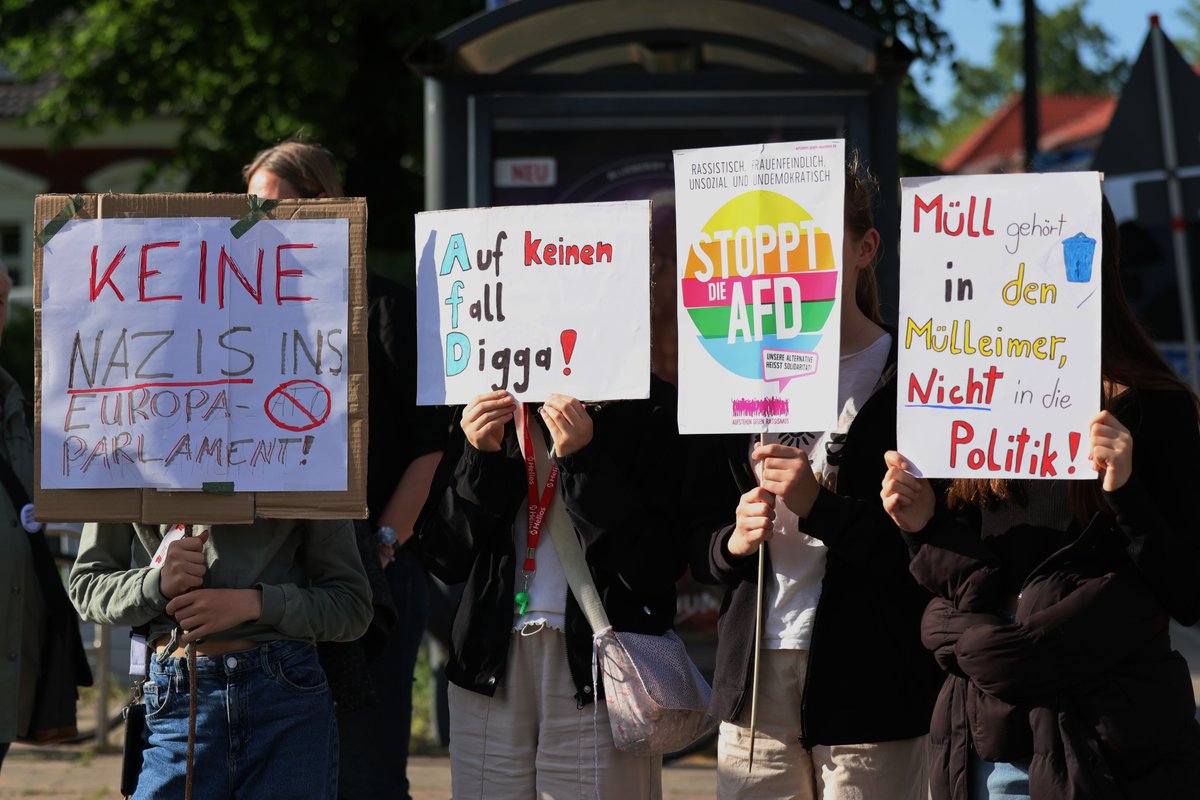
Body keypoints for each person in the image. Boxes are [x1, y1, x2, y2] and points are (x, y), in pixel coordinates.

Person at [880, 199, 1200, 800]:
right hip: (987, 734)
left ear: (1091, 263)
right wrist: (920, 524)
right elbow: (968, 581)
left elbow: (1186, 592)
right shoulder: (962, 398)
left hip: (1112, 744)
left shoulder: (1155, 406)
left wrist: (1126, 491)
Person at [685, 153, 942, 799]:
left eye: (814, 244)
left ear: (865, 247)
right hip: (754, 680)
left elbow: (936, 551)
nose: (794, 269)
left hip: (872, 682)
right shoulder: (732, 372)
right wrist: (733, 542)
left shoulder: (912, 376)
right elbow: (697, 535)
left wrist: (817, 505)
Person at [245, 140, 451, 800]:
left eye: (276, 203)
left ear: (324, 205)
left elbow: (430, 445)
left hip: (377, 570)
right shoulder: (241, 313)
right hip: (277, 571)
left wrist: (388, 541)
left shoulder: (388, 308)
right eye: (251, 206)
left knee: (365, 764)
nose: (262, 219)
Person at [412, 378, 684, 798]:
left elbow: (656, 566)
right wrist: (479, 457)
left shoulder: (647, 401)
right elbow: (442, 556)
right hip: (489, 666)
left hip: (601, 671)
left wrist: (584, 460)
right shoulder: (486, 396)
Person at [69, 519, 372, 798]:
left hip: (284, 699)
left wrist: (256, 603)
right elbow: (86, 586)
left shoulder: (314, 462)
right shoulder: (123, 461)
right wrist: (157, 584)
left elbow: (352, 605)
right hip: (179, 697)